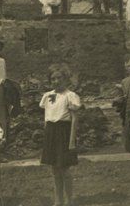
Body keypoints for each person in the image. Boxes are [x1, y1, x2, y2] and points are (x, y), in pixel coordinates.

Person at [40, 63, 81, 206]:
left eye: (59, 78)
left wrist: (72, 140)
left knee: (64, 168)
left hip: (64, 132)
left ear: (66, 79)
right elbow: (46, 117)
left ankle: (69, 200)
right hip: (51, 132)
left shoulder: (70, 96)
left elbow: (74, 119)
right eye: (53, 79)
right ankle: (58, 200)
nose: (56, 81)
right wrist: (46, 135)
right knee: (54, 168)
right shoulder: (47, 96)